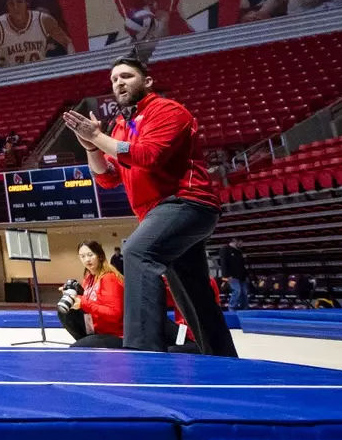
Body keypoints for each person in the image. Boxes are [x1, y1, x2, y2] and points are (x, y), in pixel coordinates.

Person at [63, 56, 237, 356]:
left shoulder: (167, 111)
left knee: (137, 251)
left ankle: (143, 354)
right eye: (114, 79)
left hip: (187, 203)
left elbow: (147, 156)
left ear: (147, 81)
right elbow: (108, 178)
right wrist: (92, 146)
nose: (119, 82)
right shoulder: (119, 127)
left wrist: (98, 137)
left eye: (127, 76)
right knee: (192, 293)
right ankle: (223, 358)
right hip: (158, 213)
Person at [0, 0, 74, 68]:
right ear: (7, 7)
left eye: (19, 1)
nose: (16, 7)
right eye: (11, 4)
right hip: (14, 78)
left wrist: (72, 66)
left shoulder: (43, 19)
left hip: (39, 72)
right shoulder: (0, 25)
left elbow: (67, 42)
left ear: (27, 3)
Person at [57, 240, 124, 348]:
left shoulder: (109, 278)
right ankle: (86, 341)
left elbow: (115, 314)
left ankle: (87, 343)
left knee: (76, 349)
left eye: (90, 255)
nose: (87, 259)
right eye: (82, 256)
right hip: (96, 330)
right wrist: (72, 296)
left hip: (114, 335)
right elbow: (86, 302)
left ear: (100, 255)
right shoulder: (89, 278)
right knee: (65, 311)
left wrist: (83, 303)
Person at [218, 238, 249, 310]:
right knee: (237, 291)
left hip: (241, 275)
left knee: (244, 292)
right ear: (235, 241)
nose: (242, 244)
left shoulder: (239, 251)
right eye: (241, 242)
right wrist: (226, 276)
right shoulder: (225, 249)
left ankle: (244, 307)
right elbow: (224, 263)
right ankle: (231, 307)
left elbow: (241, 265)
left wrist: (246, 275)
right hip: (232, 275)